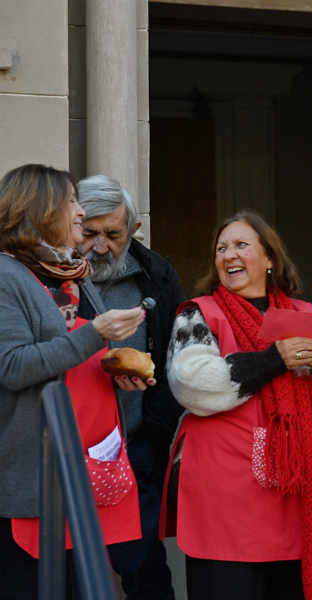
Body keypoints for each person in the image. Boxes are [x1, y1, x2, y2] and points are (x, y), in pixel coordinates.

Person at [161, 211, 312, 600]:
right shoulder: (198, 312)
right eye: (221, 248)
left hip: (298, 492)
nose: (228, 255)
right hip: (224, 495)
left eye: (241, 245)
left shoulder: (307, 315)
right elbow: (191, 385)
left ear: (270, 257)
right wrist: (276, 358)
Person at [0, 164, 147, 598]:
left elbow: (73, 357)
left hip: (81, 474)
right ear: (40, 209)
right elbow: (13, 366)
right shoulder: (6, 276)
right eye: (70, 202)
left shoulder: (71, 273)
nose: (80, 212)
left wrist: (117, 370)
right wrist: (96, 333)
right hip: (37, 478)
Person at [76, 174, 184, 599]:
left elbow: (178, 357)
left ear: (133, 231)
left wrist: (158, 421)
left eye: (113, 235)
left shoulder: (156, 275)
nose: (100, 246)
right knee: (69, 568)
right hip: (68, 447)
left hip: (135, 445)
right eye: (90, 233)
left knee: (141, 565)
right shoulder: (50, 276)